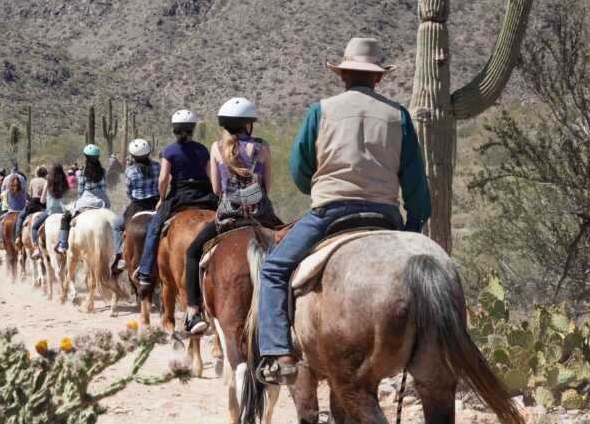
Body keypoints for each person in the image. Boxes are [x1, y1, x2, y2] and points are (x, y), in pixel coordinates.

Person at [256, 37, 431, 386]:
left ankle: (280, 354)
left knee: (274, 269)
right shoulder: (398, 116)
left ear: (343, 75)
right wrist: (413, 226)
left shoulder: (321, 110)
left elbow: (299, 166)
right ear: (378, 78)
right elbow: (415, 180)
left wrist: (316, 188)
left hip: (330, 213)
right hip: (385, 215)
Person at [183, 98, 281, 335]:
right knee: (294, 243)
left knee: (192, 252)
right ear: (249, 124)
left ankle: (193, 310)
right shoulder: (263, 147)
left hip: (229, 219)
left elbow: (217, 190)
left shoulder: (217, 148)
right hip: (261, 217)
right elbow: (267, 186)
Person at [134, 110, 216, 287]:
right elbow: (211, 175)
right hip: (204, 194)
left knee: (154, 228)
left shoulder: (170, 151)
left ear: (174, 130)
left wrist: (162, 199)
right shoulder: (202, 149)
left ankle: (145, 271)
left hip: (179, 195)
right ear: (193, 129)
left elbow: (163, 179)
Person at [111, 139, 160, 272]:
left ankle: (121, 257)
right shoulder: (157, 166)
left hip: (137, 206)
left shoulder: (130, 170)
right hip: (156, 204)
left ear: (132, 156)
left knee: (117, 226)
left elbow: (129, 191)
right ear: (149, 153)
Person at [55, 144, 111, 253]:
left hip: (86, 198)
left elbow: (80, 192)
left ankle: (63, 244)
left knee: (66, 217)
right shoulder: (103, 172)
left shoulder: (81, 173)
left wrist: (81, 201)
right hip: (102, 199)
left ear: (85, 158)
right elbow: (105, 187)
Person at [31, 164, 69, 256]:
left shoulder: (48, 182)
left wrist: (47, 200)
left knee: (34, 227)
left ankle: (36, 249)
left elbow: (42, 200)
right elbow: (67, 200)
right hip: (63, 211)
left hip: (50, 211)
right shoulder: (65, 182)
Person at [14, 166, 48, 243]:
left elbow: (31, 194)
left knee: (21, 216)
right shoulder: (46, 181)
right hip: (44, 204)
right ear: (45, 173)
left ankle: (18, 235)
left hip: (33, 203)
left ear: (37, 173)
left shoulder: (33, 181)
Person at [0, 174, 28, 248]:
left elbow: (7, 202)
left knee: (2, 223)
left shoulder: (8, 191)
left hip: (11, 211)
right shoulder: (23, 190)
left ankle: (1, 240)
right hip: (22, 211)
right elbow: (24, 201)